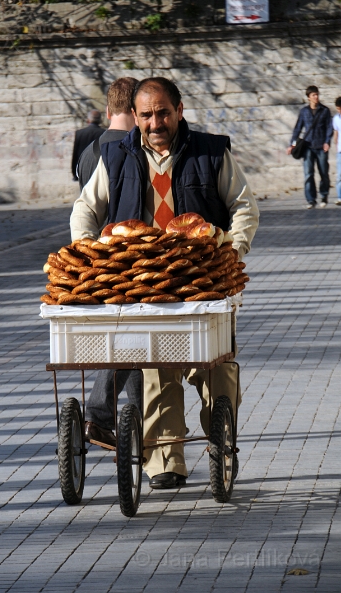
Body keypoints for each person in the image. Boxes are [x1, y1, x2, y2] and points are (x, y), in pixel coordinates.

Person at [70, 77, 259, 489]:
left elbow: (243, 204)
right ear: (134, 117)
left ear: (179, 110)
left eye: (163, 113)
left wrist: (234, 249)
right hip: (145, 291)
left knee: (218, 371)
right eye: (146, 115)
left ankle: (220, 443)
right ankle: (165, 462)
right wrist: (89, 252)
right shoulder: (115, 156)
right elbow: (86, 207)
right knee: (158, 374)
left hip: (204, 284)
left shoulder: (211, 153)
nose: (155, 122)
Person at [78, 77, 142, 447]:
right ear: (137, 111)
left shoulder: (90, 152)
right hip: (129, 260)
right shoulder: (133, 150)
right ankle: (102, 413)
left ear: (107, 110)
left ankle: (133, 419)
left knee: (127, 341)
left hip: (97, 262)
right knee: (131, 340)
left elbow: (84, 208)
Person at [287, 86, 333, 209]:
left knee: (324, 173)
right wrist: (292, 144)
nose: (316, 97)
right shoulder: (304, 112)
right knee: (308, 174)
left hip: (321, 146)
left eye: (317, 94)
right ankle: (311, 200)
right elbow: (297, 129)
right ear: (308, 98)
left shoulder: (325, 111)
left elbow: (329, 127)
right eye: (313, 95)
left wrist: (327, 142)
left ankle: (324, 196)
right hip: (307, 146)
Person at [71, 110, 105, 180]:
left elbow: (75, 154)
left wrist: (75, 173)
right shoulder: (104, 133)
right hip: (98, 170)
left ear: (88, 120)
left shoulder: (80, 133)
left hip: (83, 170)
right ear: (100, 120)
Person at [333, 96, 341, 206]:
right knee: (339, 176)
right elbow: (336, 131)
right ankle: (340, 197)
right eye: (338, 108)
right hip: (340, 151)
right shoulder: (335, 118)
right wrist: (335, 142)